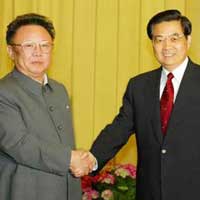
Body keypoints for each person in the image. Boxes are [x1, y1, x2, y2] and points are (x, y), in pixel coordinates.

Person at [90, 9, 200, 200]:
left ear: (188, 41)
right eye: (159, 39)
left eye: (174, 38)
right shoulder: (139, 85)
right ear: (152, 44)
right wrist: (91, 160)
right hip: (151, 192)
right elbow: (119, 129)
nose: (167, 46)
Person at [0, 13, 95, 200]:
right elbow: (19, 144)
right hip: (24, 190)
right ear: (11, 51)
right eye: (28, 46)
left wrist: (81, 158)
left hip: (66, 190)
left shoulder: (59, 90)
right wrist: (70, 158)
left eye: (45, 45)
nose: (38, 52)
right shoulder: (4, 92)